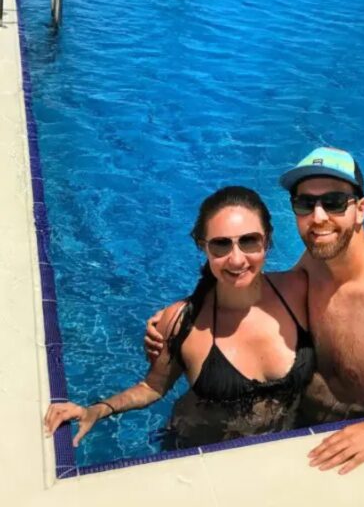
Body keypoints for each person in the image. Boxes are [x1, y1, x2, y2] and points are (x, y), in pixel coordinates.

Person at [146, 148, 364, 473]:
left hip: (353, 454)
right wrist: (182, 319)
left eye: (334, 202)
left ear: (361, 209)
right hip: (292, 433)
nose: (318, 218)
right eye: (305, 203)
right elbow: (251, 283)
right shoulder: (317, 261)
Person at [45, 186, 314, 449]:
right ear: (203, 246)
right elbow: (152, 387)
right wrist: (96, 410)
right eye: (221, 245)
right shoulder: (182, 322)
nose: (236, 259)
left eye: (249, 241)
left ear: (267, 240)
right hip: (201, 449)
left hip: (282, 450)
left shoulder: (298, 291)